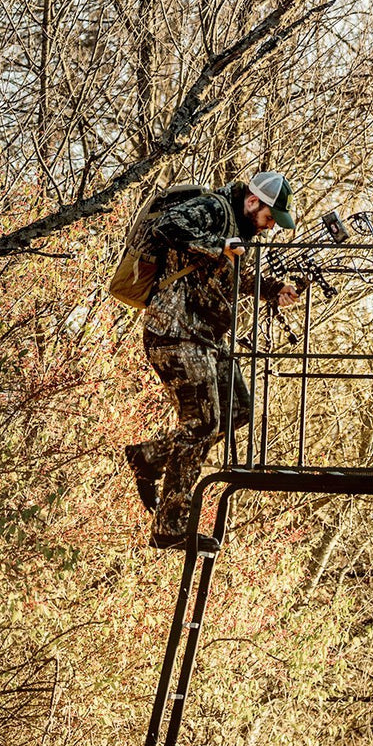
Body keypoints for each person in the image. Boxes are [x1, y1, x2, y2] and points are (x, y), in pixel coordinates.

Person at [123, 172, 303, 551]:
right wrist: (219, 247)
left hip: (206, 338)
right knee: (202, 424)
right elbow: (166, 228)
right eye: (270, 218)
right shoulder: (211, 208)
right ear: (253, 202)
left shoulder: (236, 229)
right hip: (173, 332)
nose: (270, 227)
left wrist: (274, 290)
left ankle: (148, 457)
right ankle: (169, 529)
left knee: (239, 410)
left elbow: (234, 271)